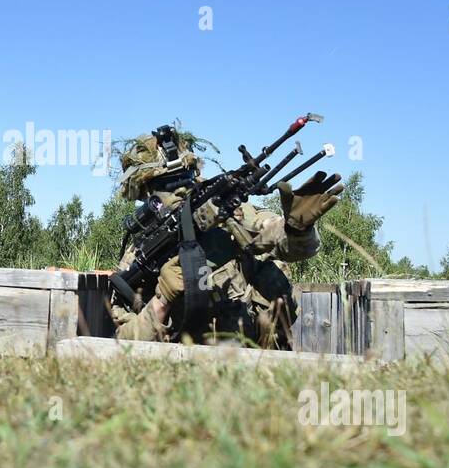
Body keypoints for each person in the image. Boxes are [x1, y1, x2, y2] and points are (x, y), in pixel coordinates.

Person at [110, 127, 343, 349]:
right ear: (147, 194)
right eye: (167, 184)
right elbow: (122, 344)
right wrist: (162, 302)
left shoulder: (230, 217)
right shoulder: (138, 259)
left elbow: (282, 241)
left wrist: (297, 229)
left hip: (258, 364)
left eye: (186, 177)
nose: (181, 190)